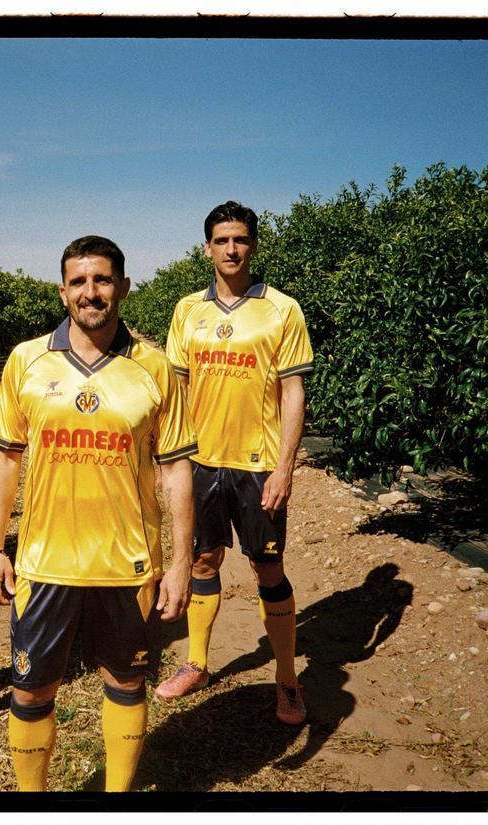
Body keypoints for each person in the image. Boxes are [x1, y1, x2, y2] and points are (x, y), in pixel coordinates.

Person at [0, 235, 197, 791]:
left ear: (123, 287)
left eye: (102, 280)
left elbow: (176, 468)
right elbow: (5, 457)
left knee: (126, 683)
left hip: (127, 562)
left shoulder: (156, 367)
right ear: (62, 292)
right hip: (44, 561)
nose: (90, 292)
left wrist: (180, 563)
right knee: (31, 689)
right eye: (78, 282)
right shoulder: (27, 361)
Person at [154, 201, 314, 727]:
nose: (231, 249)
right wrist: (171, 458)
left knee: (268, 567)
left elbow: (293, 391)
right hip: (200, 461)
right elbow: (177, 388)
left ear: (253, 245)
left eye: (240, 239)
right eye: (221, 240)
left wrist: (285, 467)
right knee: (203, 561)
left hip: (257, 464)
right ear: (207, 249)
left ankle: (287, 679)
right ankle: (197, 663)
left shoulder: (281, 309)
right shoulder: (187, 310)